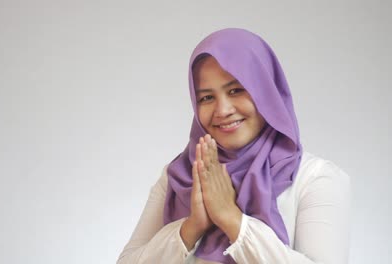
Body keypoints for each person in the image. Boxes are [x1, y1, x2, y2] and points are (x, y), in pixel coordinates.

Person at [117, 28, 350, 264]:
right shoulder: (180, 177)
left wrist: (232, 219)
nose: (223, 110)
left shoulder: (316, 179)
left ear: (266, 92)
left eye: (236, 90)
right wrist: (191, 227)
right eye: (207, 97)